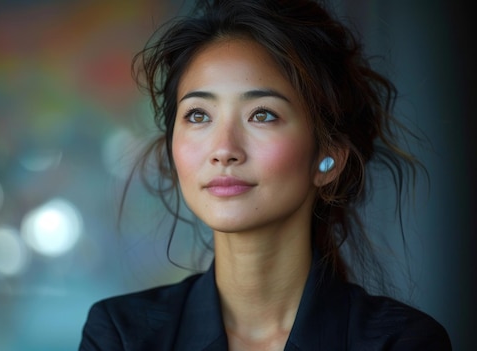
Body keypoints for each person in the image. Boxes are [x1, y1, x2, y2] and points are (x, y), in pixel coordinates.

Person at [79, 0, 452, 349]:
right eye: (198, 115)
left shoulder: (402, 342)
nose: (224, 149)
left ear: (329, 158)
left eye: (262, 114)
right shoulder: (121, 335)